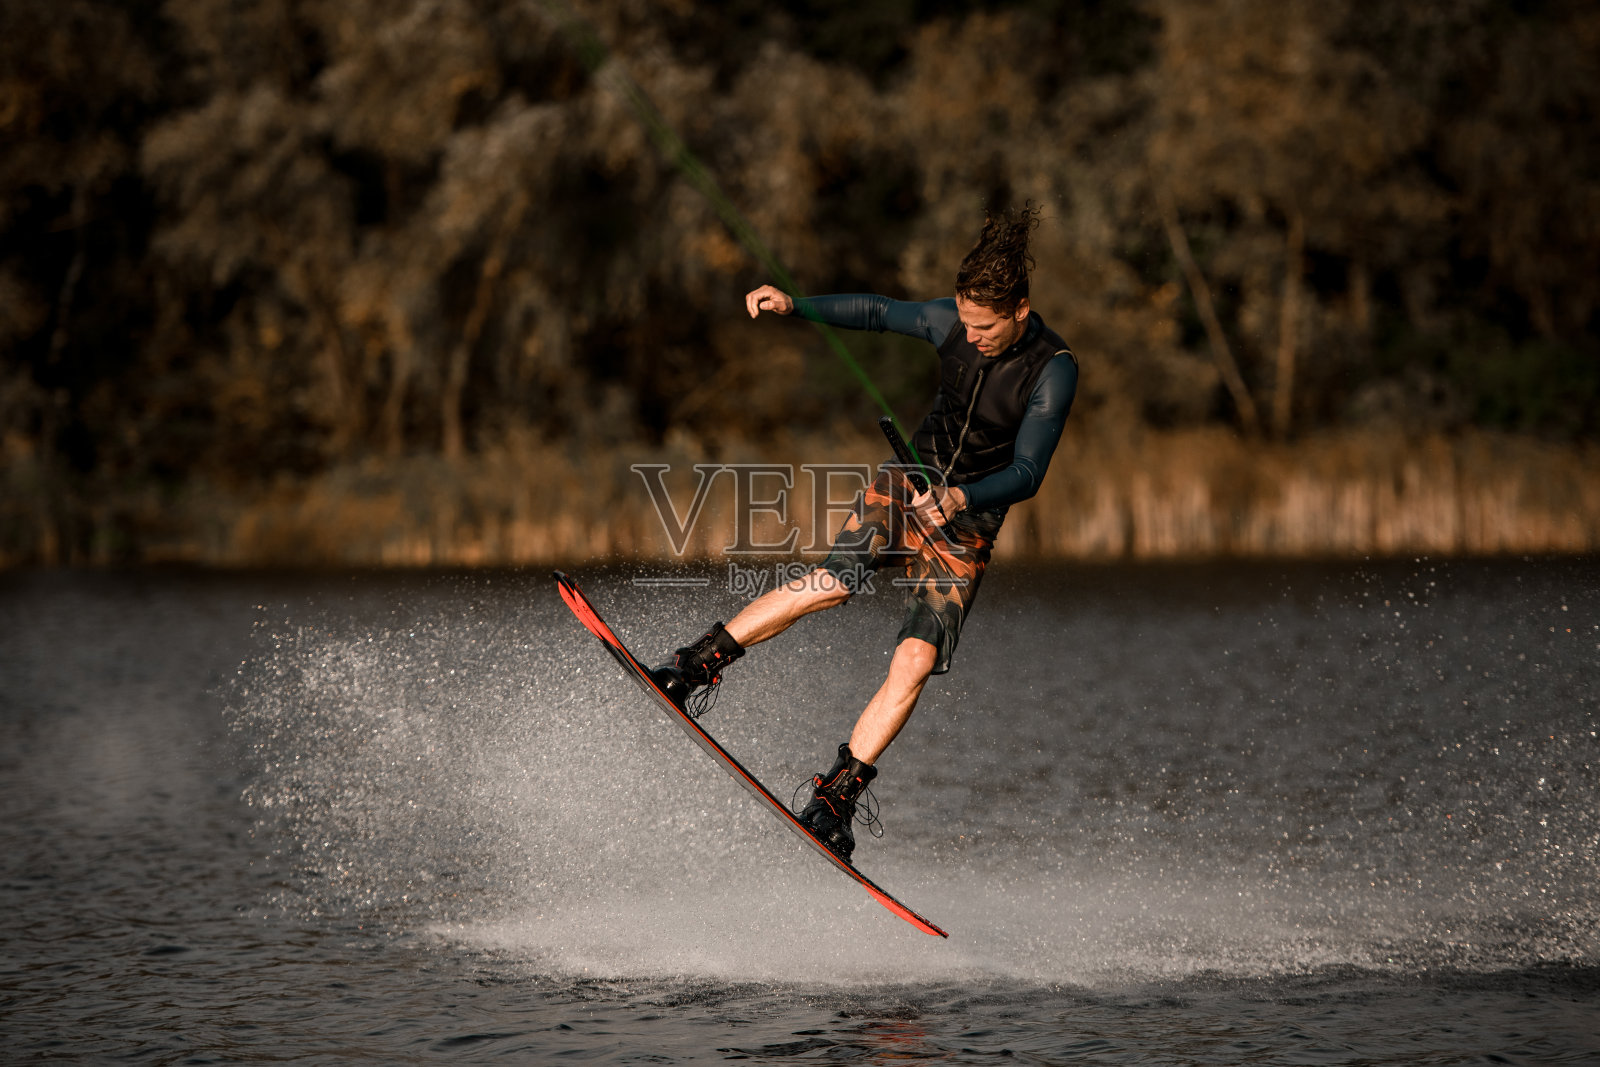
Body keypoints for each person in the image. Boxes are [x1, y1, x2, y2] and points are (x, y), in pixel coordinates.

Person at [651, 205, 1078, 863]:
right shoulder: (951, 323)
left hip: (970, 519)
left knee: (917, 659)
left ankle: (835, 796)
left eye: (985, 327)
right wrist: (796, 305)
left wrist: (962, 496)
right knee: (830, 583)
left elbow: (1027, 470)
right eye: (964, 323)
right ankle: (693, 664)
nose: (972, 336)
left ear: (1022, 309)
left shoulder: (1053, 368)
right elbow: (878, 311)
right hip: (909, 482)